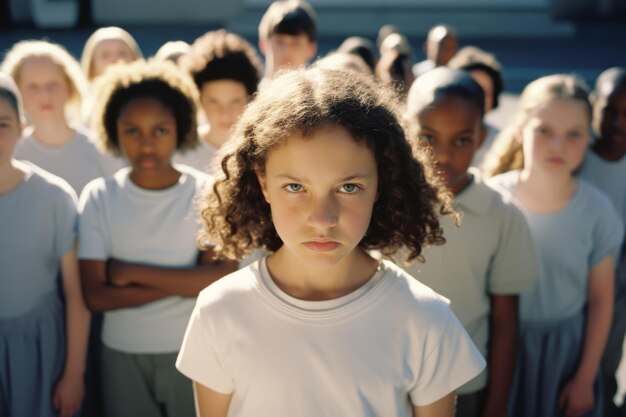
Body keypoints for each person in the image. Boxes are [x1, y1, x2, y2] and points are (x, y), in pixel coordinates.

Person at [175, 66, 486, 417]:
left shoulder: (427, 320)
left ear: (380, 183)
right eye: (295, 187)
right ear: (263, 182)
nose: (323, 218)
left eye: (348, 187)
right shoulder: (220, 311)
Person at [78, 60, 237, 417]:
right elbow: (96, 296)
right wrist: (186, 282)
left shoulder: (206, 191)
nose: (146, 143)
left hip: (192, 352)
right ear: (112, 129)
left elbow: (221, 277)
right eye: (132, 131)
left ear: (179, 128)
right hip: (121, 353)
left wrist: (129, 271)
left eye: (160, 130)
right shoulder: (99, 197)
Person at [483, 74, 624, 417]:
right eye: (544, 130)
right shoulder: (491, 200)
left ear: (588, 135)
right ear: (520, 130)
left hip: (566, 356)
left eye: (574, 134)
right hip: (497, 352)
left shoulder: (597, 212)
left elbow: (602, 300)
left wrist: (585, 377)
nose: (558, 146)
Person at [403, 67, 540, 417]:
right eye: (428, 138)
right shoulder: (383, 202)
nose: (444, 155)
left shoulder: (502, 214)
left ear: (481, 138)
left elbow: (505, 322)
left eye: (461, 140)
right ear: (407, 132)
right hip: (387, 379)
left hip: (464, 389)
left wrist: (495, 406)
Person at [0, 72, 90, 417]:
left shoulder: (53, 197)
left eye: (3, 123)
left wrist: (73, 374)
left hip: (40, 348)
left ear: (22, 126)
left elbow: (75, 294)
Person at [1, 40, 121, 195]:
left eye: (53, 85)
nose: (45, 95)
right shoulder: (9, 151)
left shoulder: (102, 150)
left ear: (70, 87)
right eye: (33, 87)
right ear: (17, 94)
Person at [578, 67, 626, 416]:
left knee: (605, 363)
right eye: (610, 111)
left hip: (617, 280)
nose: (618, 123)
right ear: (594, 107)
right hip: (573, 277)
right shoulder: (576, 156)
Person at [175, 29, 262, 174]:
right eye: (214, 102)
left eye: (234, 101)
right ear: (199, 100)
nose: (225, 113)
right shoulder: (180, 155)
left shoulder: (260, 154)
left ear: (249, 99)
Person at [448, 46, 505, 167]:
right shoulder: (435, 138)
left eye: (486, 93)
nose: (478, 100)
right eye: (469, 92)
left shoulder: (502, 143)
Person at [258, 0, 317, 81]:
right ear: (263, 44)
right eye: (280, 41)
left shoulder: (322, 93)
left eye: (295, 43)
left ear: (311, 49)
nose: (286, 50)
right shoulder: (243, 91)